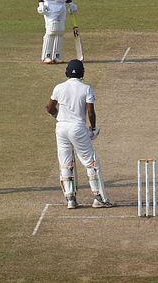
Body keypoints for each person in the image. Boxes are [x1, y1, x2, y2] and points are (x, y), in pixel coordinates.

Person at [45, 59, 114, 209]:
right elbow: (90, 111)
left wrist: (59, 117)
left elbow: (49, 108)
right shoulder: (86, 88)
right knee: (91, 162)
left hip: (61, 128)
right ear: (82, 73)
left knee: (66, 163)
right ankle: (99, 198)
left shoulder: (59, 87)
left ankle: (70, 199)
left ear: (67, 72)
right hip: (77, 128)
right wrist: (93, 128)